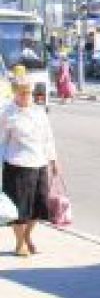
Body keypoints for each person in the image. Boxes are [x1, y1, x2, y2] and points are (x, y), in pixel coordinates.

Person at [1, 76, 58, 256]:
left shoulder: (38, 111)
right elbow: (1, 141)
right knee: (19, 208)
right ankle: (20, 243)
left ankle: (27, 236)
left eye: (29, 93)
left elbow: (48, 137)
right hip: (17, 166)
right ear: (15, 93)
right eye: (23, 93)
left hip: (39, 163)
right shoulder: (7, 114)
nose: (27, 96)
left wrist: (54, 160)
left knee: (39, 206)